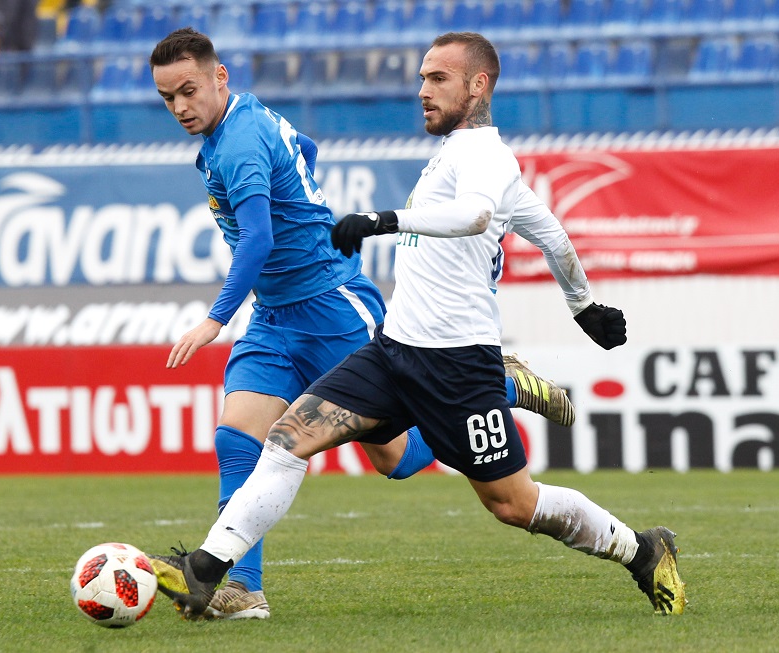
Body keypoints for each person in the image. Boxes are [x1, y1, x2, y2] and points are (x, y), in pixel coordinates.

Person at [148, 31, 685, 620]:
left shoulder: (484, 157)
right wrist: (583, 306)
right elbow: (550, 232)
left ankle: (642, 550)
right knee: (286, 439)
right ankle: (209, 573)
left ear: (478, 85)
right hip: (393, 351)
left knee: (512, 503)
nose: (423, 91)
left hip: (456, 365)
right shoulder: (455, 154)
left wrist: (383, 220)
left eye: (438, 79)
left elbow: (475, 214)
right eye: (423, 78)